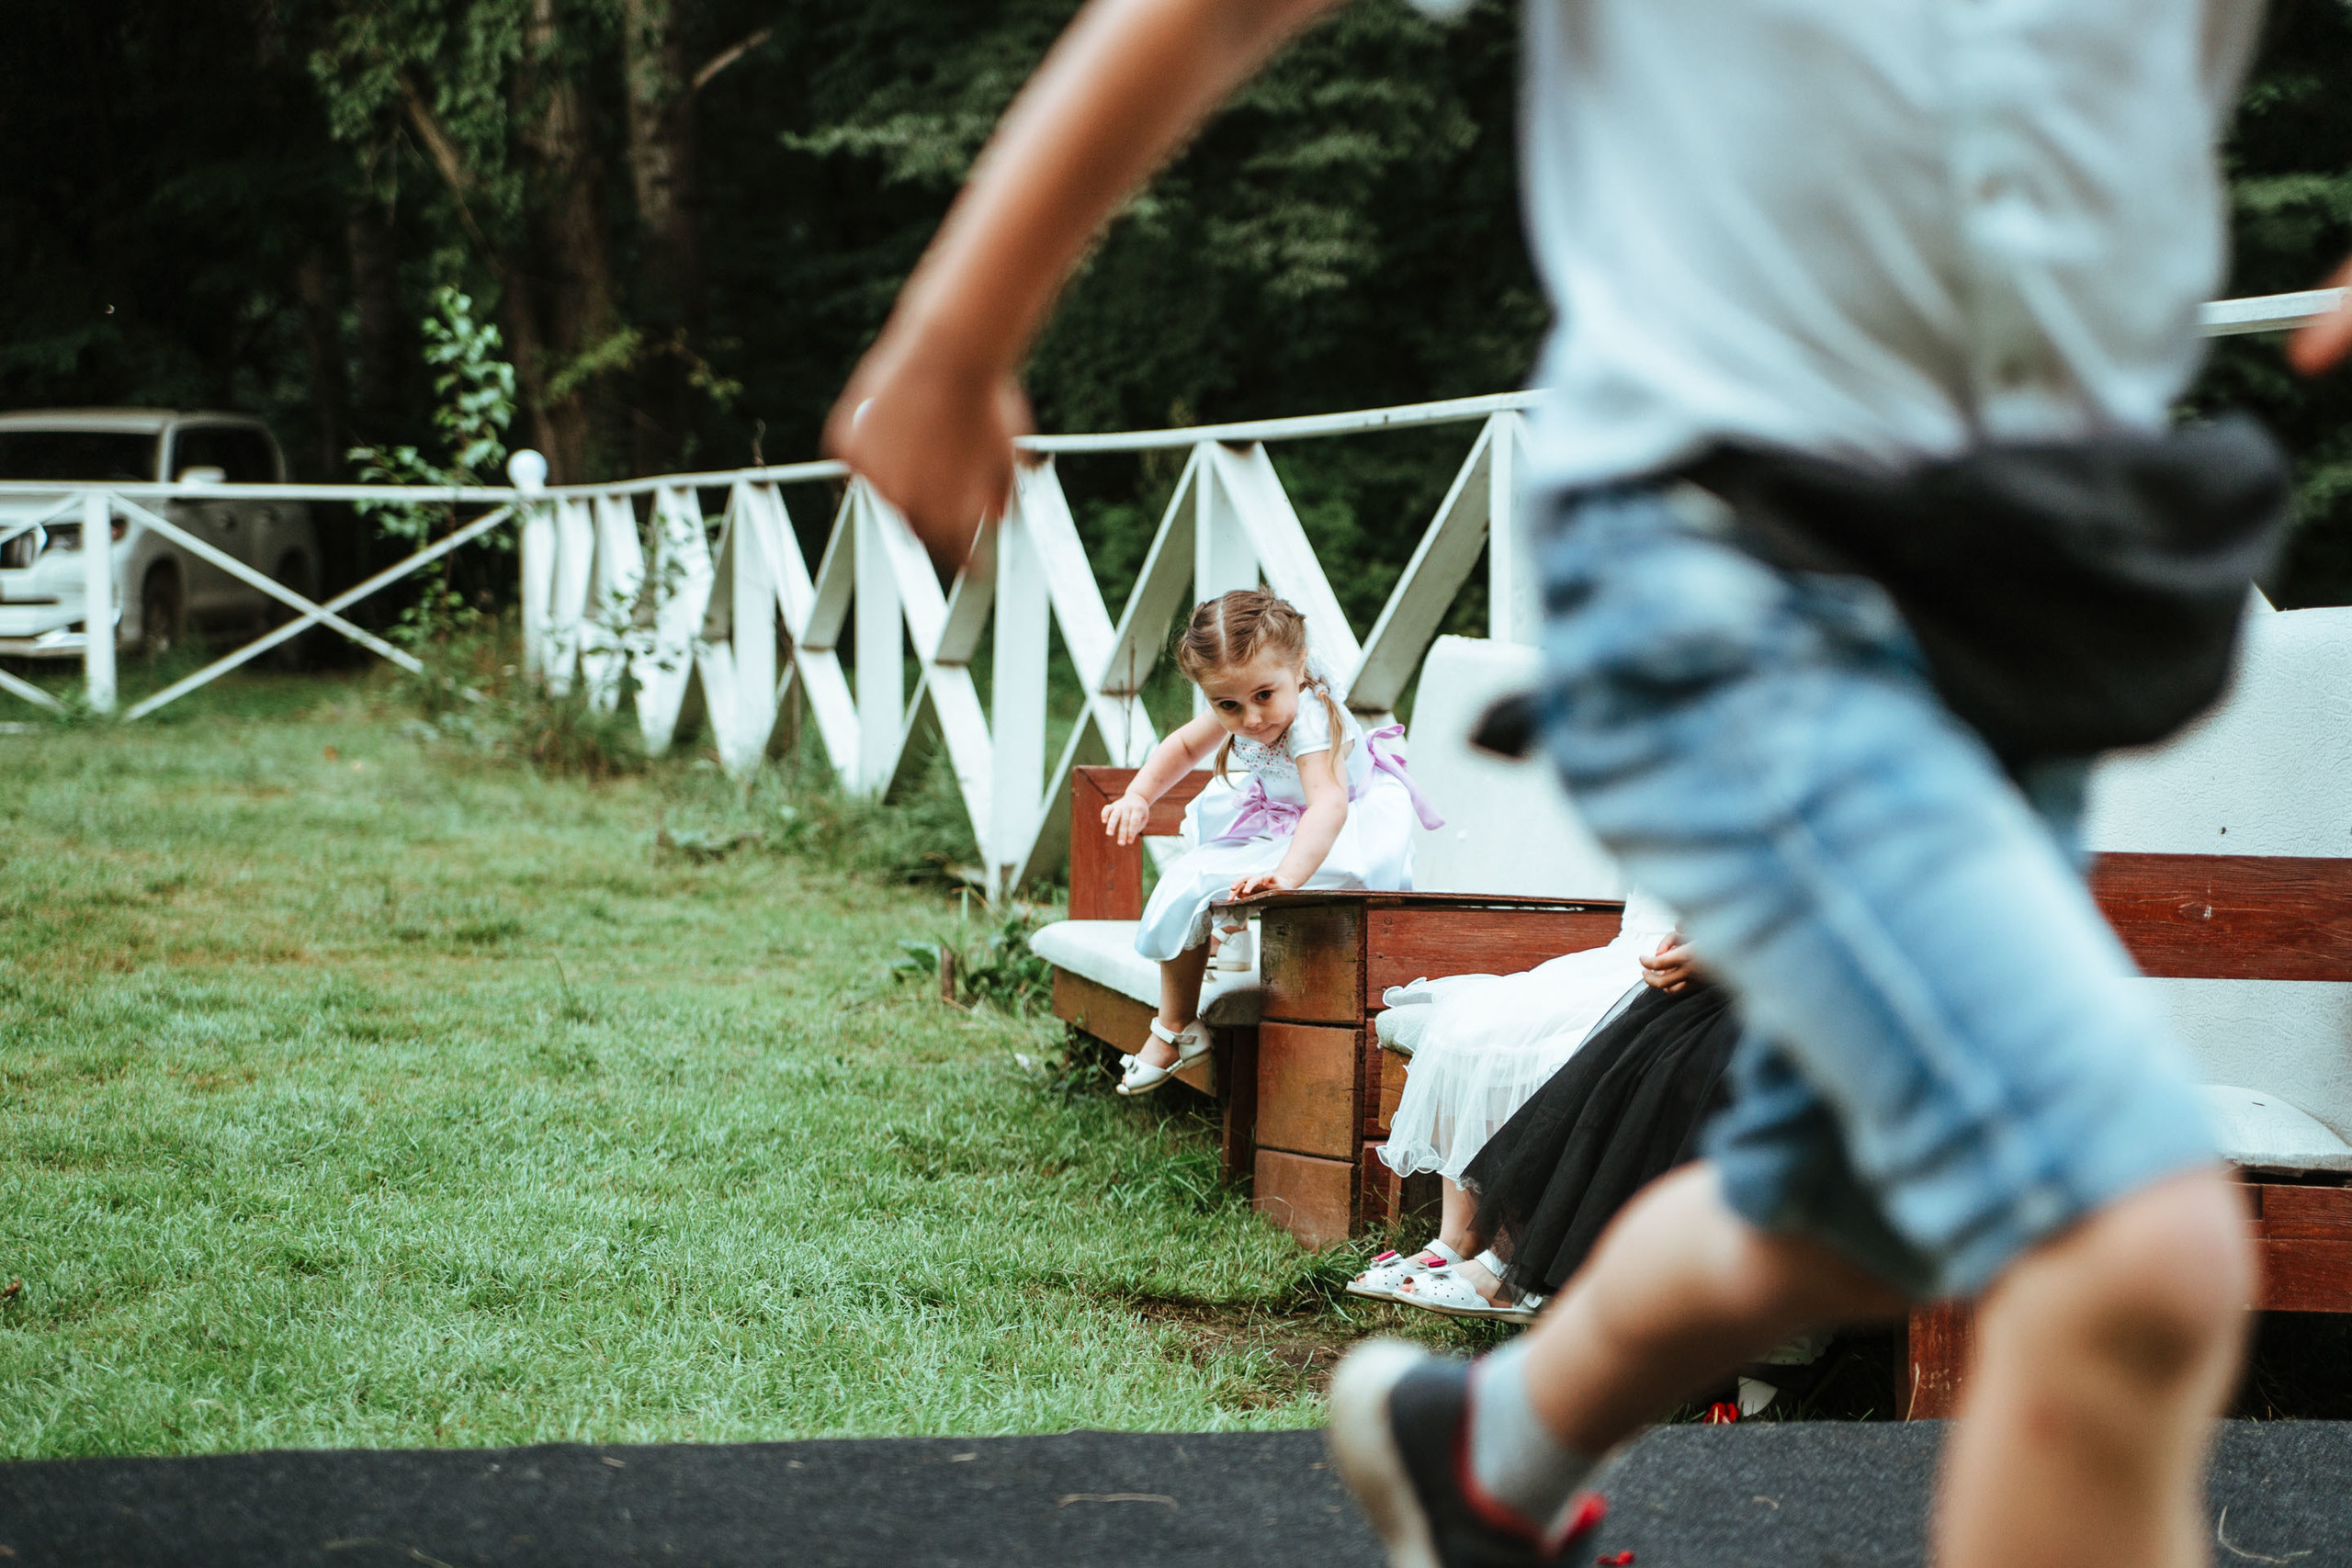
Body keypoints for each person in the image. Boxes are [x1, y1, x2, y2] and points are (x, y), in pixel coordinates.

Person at [824, 2, 2352, 1564]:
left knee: (1835, 1197)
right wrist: (959, 333)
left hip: (2031, 600)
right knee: (2134, 1244)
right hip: (1741, 560)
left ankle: (1487, 1450)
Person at [1100, 588, 1435, 1095]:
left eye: (1263, 696)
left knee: (1239, 881)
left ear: (1298, 667)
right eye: (1228, 705)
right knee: (1183, 879)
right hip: (1282, 819)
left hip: (1340, 829)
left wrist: (1288, 876)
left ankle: (1197, 995)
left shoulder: (1311, 719)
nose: (1252, 720)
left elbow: (1327, 804)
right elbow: (1186, 745)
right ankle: (1177, 1025)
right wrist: (1139, 796)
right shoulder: (1244, 696)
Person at [1349, 897, 1679, 1319]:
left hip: (1687, 961)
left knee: (1574, 1045)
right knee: (1469, 1019)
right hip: (1630, 951)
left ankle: (1514, 1255)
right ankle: (1457, 1239)